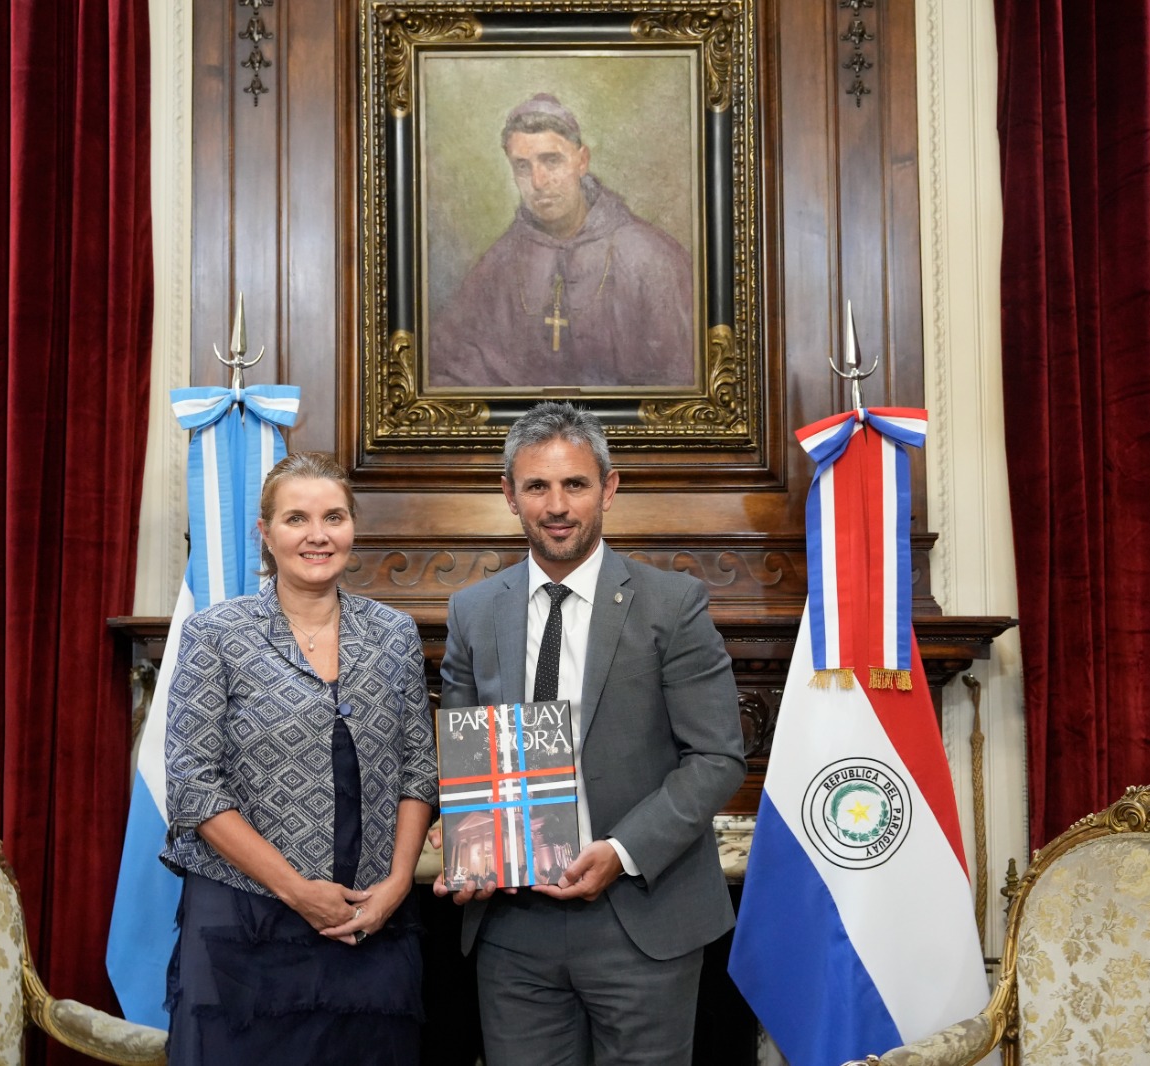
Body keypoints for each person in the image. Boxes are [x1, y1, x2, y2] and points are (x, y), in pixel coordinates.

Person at [435, 402, 746, 1064]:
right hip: (513, 931)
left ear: (608, 487)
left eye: (575, 484)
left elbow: (717, 758)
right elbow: (464, 758)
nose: (556, 505)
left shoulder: (673, 605)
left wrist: (620, 850)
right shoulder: (472, 611)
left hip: (642, 920)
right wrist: (469, 850)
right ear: (508, 495)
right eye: (536, 486)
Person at [160, 452, 438, 1064]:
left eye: (333, 517)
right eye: (296, 519)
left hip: (372, 920)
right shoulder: (216, 634)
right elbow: (193, 786)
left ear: (352, 527)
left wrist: (395, 886)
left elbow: (419, 771)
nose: (318, 535)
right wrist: (295, 890)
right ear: (266, 532)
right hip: (246, 921)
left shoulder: (394, 634)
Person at [428, 93, 696, 390]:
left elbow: (682, 386)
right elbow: (446, 369)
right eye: (522, 166)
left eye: (551, 160)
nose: (538, 182)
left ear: (581, 161)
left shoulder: (651, 258)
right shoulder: (499, 262)